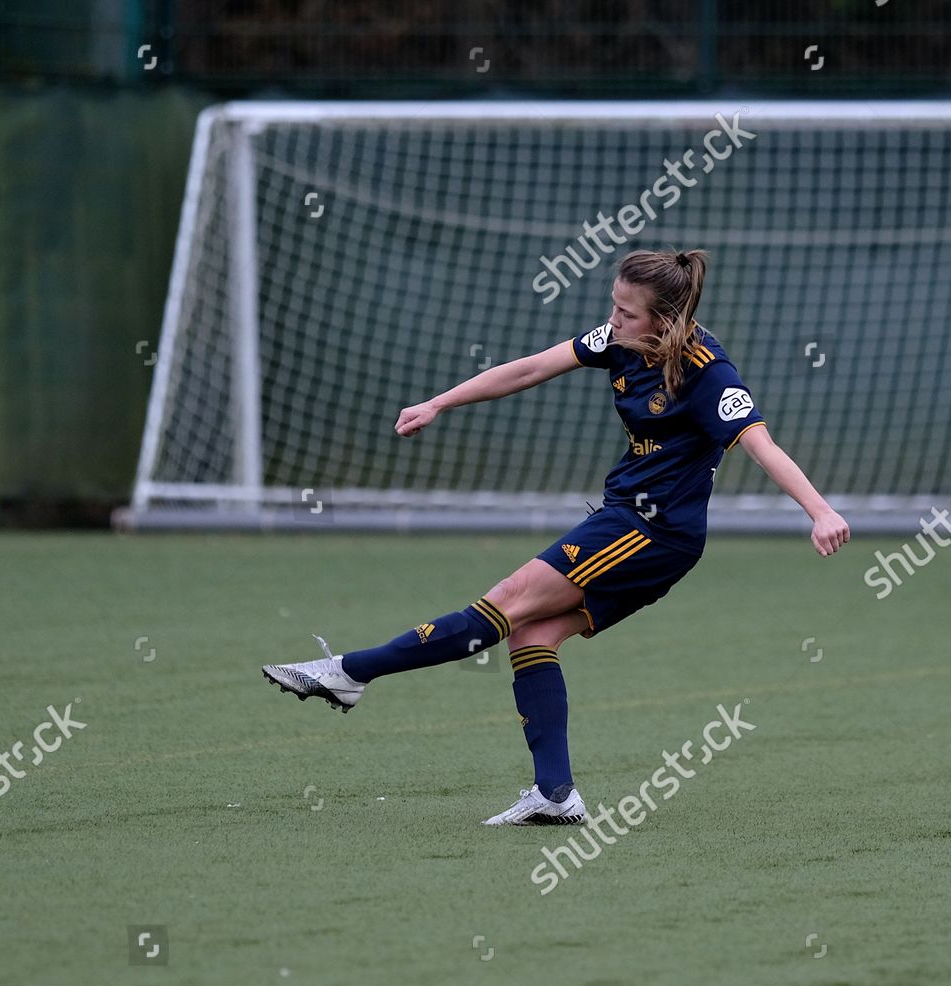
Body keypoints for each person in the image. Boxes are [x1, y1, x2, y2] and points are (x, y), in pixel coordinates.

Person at [261, 248, 850, 825]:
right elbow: (530, 368)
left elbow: (760, 443)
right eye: (614, 307)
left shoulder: (707, 371)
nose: (613, 321)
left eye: (627, 313)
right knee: (532, 635)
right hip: (632, 522)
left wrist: (819, 512)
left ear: (665, 321)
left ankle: (351, 672)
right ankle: (555, 793)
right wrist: (439, 403)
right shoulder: (620, 343)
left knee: (506, 602)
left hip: (651, 531)